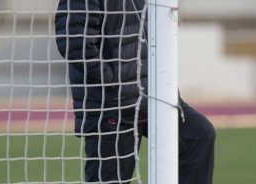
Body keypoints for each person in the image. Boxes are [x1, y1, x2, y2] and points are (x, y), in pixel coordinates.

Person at [55, 0, 216, 183]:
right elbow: (74, 44)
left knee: (198, 133)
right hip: (111, 106)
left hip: (154, 96)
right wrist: (113, 83)